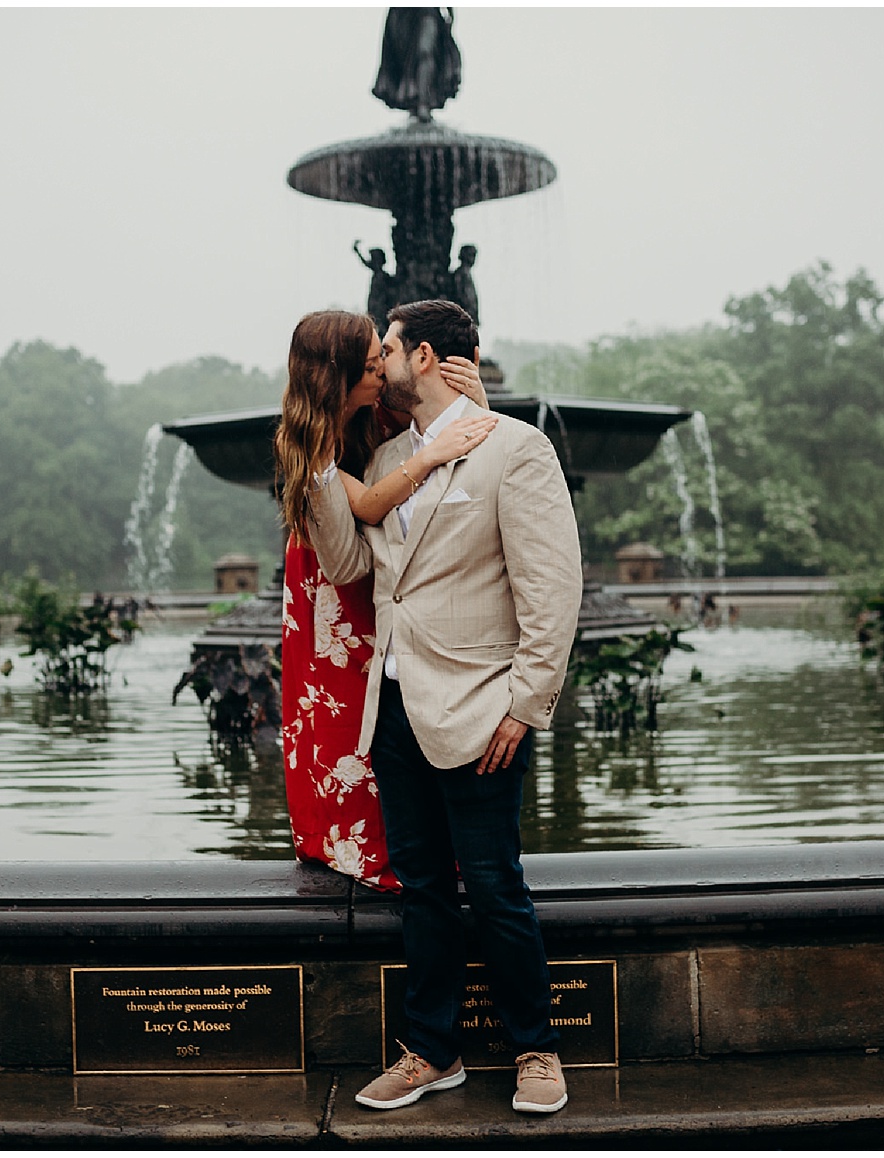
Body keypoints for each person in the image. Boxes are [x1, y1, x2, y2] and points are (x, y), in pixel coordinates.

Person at [306, 298, 581, 1117]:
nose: (375, 358)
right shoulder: (388, 455)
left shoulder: (516, 451)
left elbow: (551, 588)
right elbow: (349, 561)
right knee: (422, 886)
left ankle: (537, 1049)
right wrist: (316, 465)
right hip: (391, 706)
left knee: (495, 884)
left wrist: (525, 706)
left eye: (385, 346)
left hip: (481, 706)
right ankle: (432, 1052)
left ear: (421, 355)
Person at [270, 309, 491, 889]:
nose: (382, 372)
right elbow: (365, 507)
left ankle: (430, 842)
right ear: (338, 378)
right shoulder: (310, 440)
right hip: (332, 585)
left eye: (383, 356)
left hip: (386, 571)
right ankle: (353, 844)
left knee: (399, 706)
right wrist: (426, 461)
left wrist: (475, 403)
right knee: (343, 713)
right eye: (371, 365)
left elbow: (457, 437)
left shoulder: (382, 411)